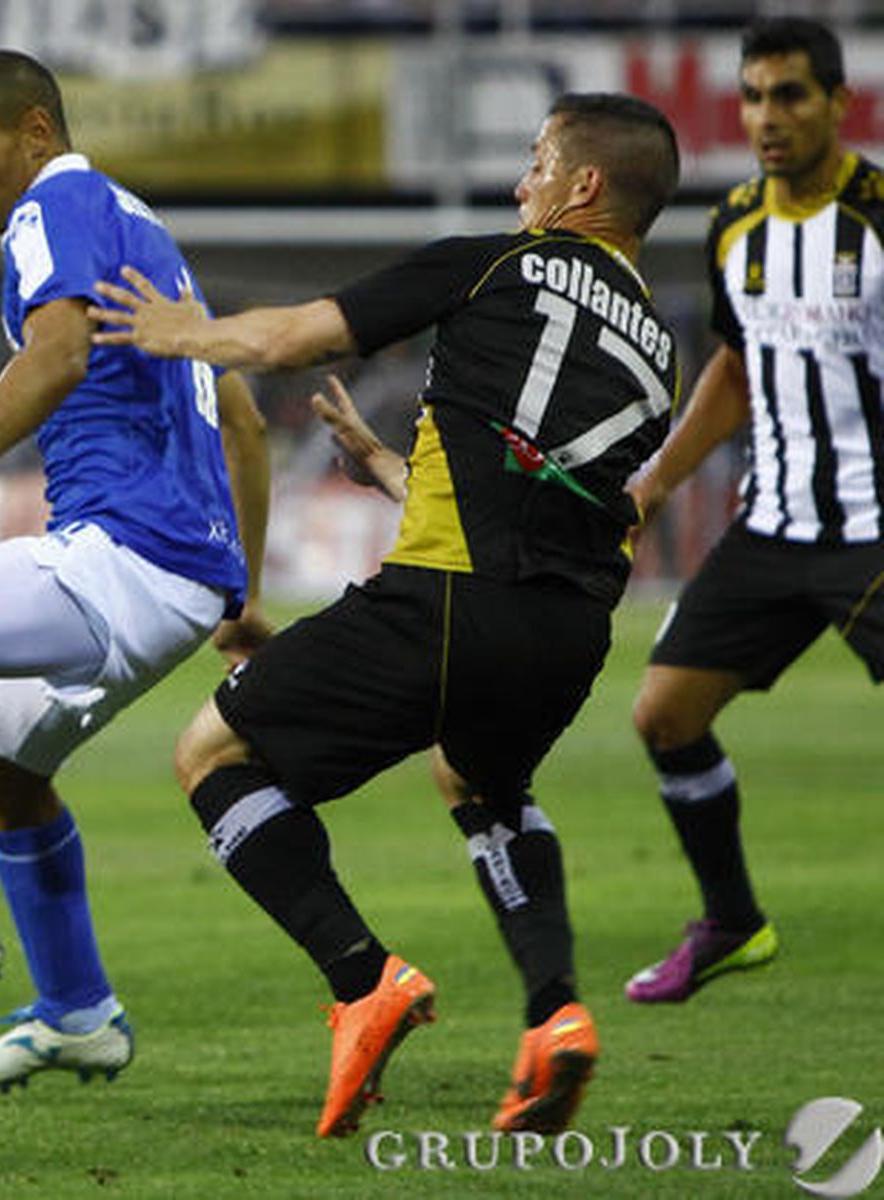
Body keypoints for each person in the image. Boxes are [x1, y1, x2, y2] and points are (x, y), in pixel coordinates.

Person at [91, 93, 680, 1136]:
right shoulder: (654, 355)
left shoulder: (492, 261)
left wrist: (185, 333)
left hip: (443, 603)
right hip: (567, 635)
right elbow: (544, 503)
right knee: (479, 777)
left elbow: (293, 338)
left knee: (212, 754)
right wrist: (394, 471)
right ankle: (554, 1016)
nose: (521, 185)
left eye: (538, 162)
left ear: (582, 185)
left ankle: (363, 982)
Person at [0, 48, 272, 1093]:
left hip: (121, 551)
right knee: (0, 771)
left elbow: (58, 354)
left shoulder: (56, 203)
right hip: (180, 571)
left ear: (33, 135)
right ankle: (78, 1012)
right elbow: (242, 417)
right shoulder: (147, 235)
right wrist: (241, 594)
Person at [622, 18, 884, 1005]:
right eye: (752, 97)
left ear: (836, 103)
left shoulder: (877, 217)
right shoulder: (734, 222)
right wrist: (654, 483)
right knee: (663, 714)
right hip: (772, 529)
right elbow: (733, 369)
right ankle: (730, 922)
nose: (766, 117)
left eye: (789, 96)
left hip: (873, 531)